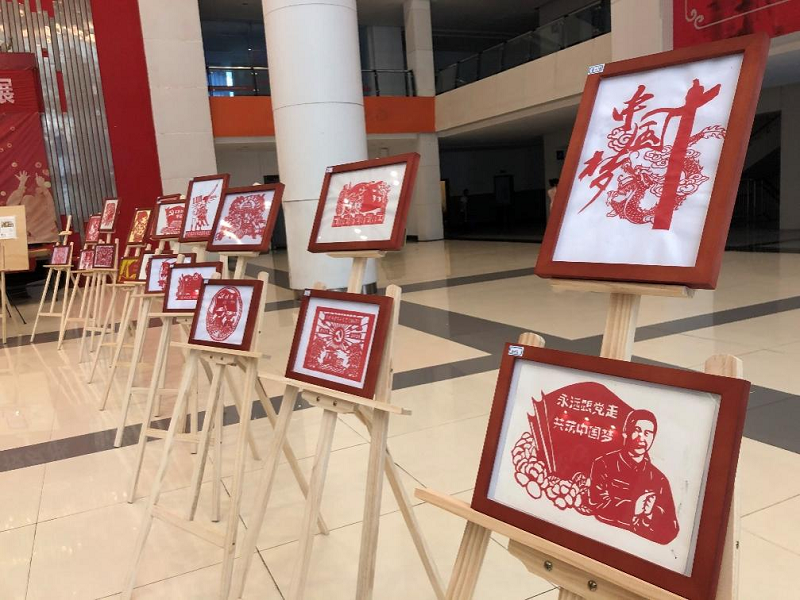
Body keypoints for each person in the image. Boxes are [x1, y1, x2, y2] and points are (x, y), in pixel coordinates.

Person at [587, 409, 679, 545]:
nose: (642, 438)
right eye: (637, 430)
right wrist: (633, 508)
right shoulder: (604, 464)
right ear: (625, 432)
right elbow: (597, 504)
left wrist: (650, 514)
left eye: (647, 433)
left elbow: (671, 529)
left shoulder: (659, 479)